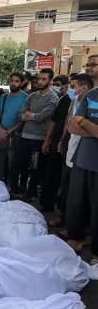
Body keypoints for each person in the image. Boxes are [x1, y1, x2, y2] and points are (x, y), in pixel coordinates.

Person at [65, 64, 98, 264]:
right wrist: (89, 126)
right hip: (82, 159)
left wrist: (84, 122)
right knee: (76, 203)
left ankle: (96, 252)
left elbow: (80, 122)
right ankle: (75, 239)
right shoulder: (92, 95)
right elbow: (73, 127)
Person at [58, 73, 93, 238]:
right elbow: (71, 126)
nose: (69, 90)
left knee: (81, 200)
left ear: (83, 88)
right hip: (71, 153)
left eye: (73, 87)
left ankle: (79, 232)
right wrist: (62, 140)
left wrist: (83, 124)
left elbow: (77, 126)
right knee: (69, 194)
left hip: (85, 157)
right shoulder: (76, 101)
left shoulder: (90, 103)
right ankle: (68, 225)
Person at [21, 68, 59, 201]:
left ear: (50, 81)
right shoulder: (32, 95)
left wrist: (31, 115)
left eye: (44, 79)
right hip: (25, 136)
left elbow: (41, 117)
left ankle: (31, 193)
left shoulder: (53, 98)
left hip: (39, 139)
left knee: (35, 167)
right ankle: (22, 189)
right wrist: (31, 116)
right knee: (22, 165)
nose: (40, 81)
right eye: (39, 78)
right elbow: (21, 114)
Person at [38, 74, 73, 212]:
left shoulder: (85, 101)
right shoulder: (64, 100)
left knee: (66, 181)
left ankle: (64, 211)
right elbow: (54, 120)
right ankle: (47, 204)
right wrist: (48, 139)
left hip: (72, 147)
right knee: (51, 175)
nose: (70, 89)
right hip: (56, 144)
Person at [0, 72, 28, 188]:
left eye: (17, 81)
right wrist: (1, 130)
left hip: (15, 136)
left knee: (13, 164)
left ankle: (11, 187)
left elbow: (24, 119)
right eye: (12, 81)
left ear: (22, 83)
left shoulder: (25, 98)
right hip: (0, 135)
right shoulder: (4, 97)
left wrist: (10, 130)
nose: (13, 83)